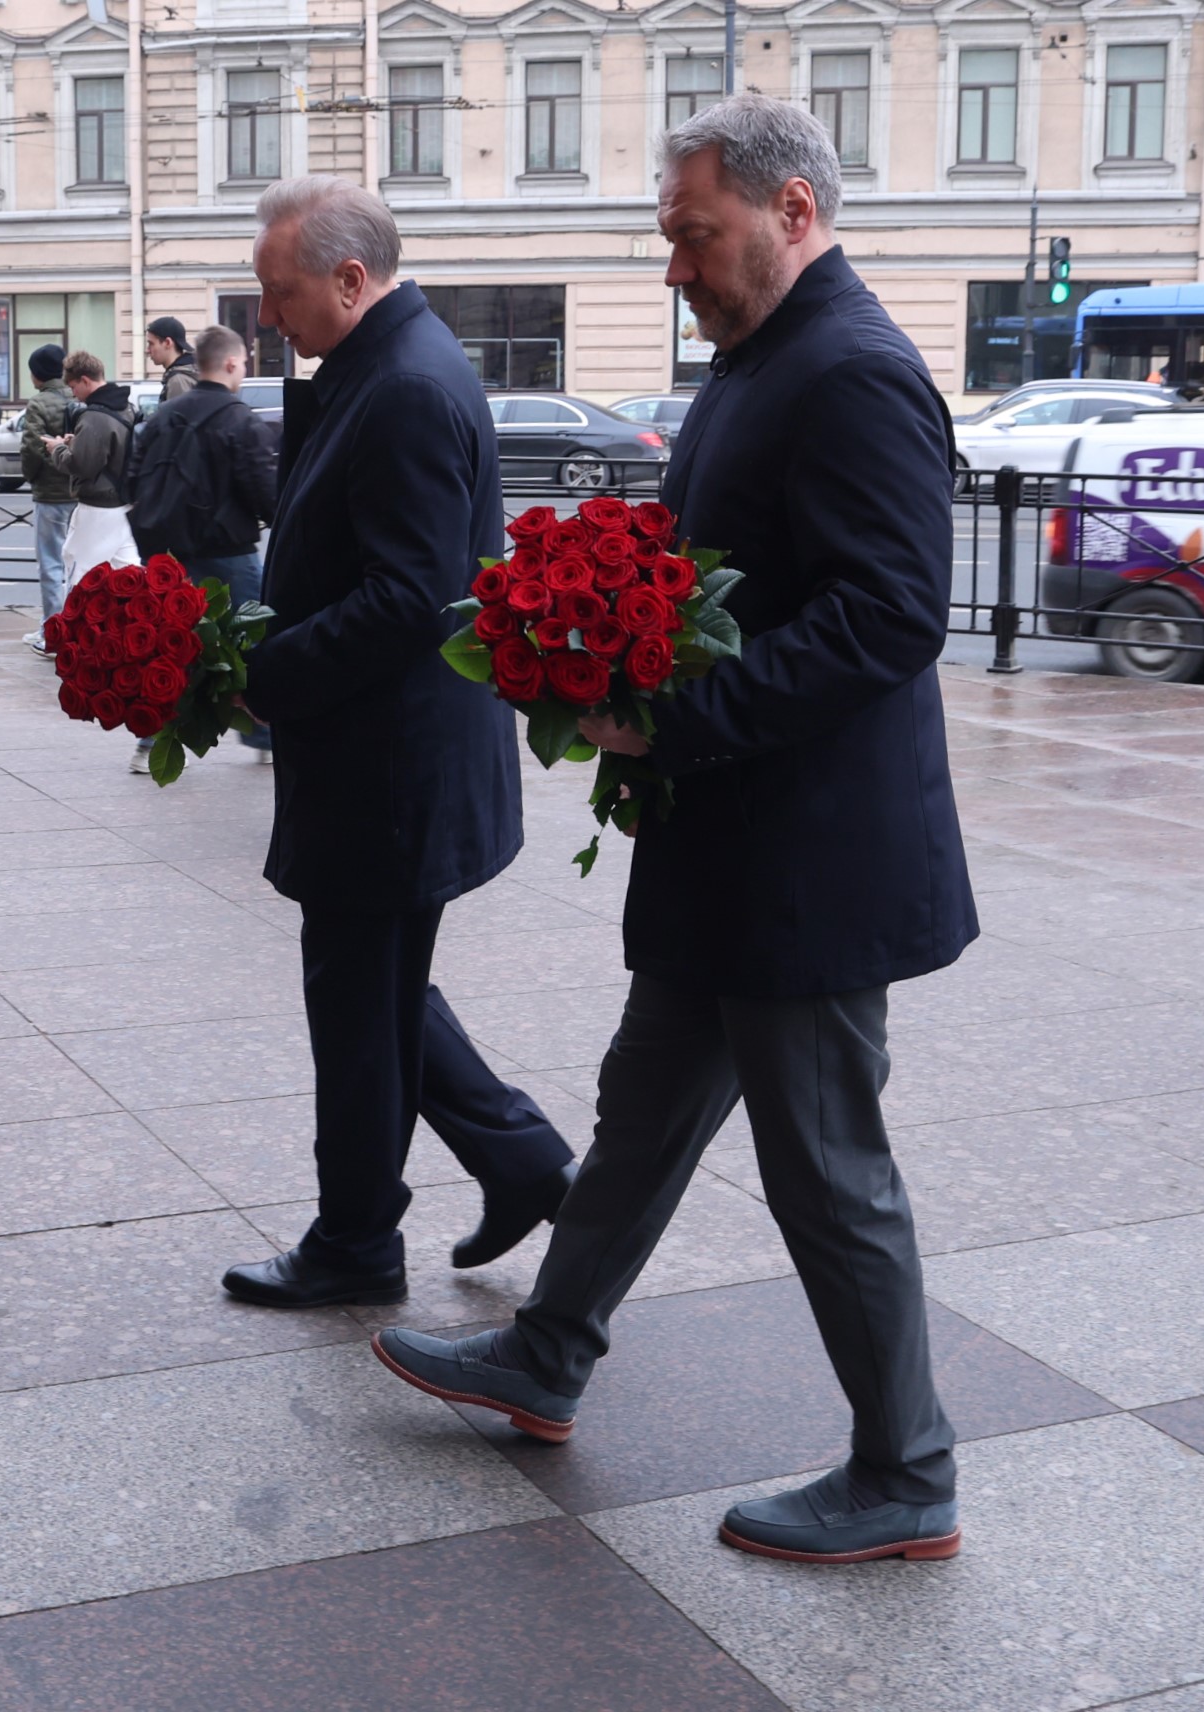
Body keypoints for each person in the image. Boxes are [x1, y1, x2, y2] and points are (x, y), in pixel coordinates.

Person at [370, 96, 977, 1567]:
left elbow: (892, 615)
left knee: (824, 1165)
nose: (674, 268)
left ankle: (907, 1471)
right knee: (643, 1108)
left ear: (792, 211)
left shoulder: (852, 368)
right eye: (670, 238)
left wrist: (670, 716)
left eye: (695, 237)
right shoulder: (767, 356)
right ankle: (546, 1353)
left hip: (810, 865)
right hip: (735, 845)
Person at [217, 176, 576, 1312]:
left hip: (389, 762)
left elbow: (409, 597)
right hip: (388, 751)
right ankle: (521, 1161)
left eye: (279, 292)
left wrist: (261, 674)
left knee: (358, 1002)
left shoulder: (406, 386)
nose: (267, 315)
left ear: (348, 279)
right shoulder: (385, 363)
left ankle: (357, 1241)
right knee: (375, 986)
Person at [127, 322, 280, 771]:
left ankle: (151, 742)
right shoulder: (240, 420)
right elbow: (264, 492)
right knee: (254, 640)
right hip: (228, 551)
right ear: (231, 363)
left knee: (168, 644)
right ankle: (265, 734)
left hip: (167, 554)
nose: (244, 370)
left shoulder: (165, 415)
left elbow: (132, 476)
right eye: (245, 363)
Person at [48, 351, 137, 593]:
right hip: (124, 503)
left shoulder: (95, 416)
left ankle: (73, 618)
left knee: (79, 574)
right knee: (129, 576)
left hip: (98, 507)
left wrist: (57, 449)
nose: (73, 393)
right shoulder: (126, 407)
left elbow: (82, 465)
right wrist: (77, 442)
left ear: (85, 380)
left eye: (73, 386)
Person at [17, 342, 74, 655]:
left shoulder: (38, 403)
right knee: (77, 564)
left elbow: (31, 447)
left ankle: (52, 633)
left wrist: (32, 477)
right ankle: (75, 629)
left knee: (51, 565)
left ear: (37, 374)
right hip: (80, 492)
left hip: (50, 496)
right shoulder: (77, 396)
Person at [146, 316, 199, 401]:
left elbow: (179, 409)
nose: (147, 350)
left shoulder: (178, 380)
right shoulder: (187, 372)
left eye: (151, 344)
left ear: (168, 343)